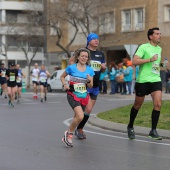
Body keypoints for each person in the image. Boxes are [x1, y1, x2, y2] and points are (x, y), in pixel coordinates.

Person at [127, 27, 163, 140]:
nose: (159, 35)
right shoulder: (143, 47)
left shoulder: (159, 49)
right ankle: (130, 126)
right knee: (137, 105)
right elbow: (134, 61)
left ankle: (153, 130)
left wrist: (162, 65)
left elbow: (155, 64)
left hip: (156, 80)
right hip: (143, 81)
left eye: (160, 34)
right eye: (157, 34)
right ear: (150, 36)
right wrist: (149, 59)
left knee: (158, 104)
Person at [74, 33, 106, 139]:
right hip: (84, 85)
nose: (97, 41)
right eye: (94, 39)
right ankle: (79, 129)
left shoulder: (101, 54)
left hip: (96, 85)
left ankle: (78, 127)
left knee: (89, 109)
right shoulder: (83, 52)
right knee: (84, 108)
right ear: (89, 41)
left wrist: (103, 67)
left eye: (97, 39)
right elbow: (73, 63)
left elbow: (103, 68)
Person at [60, 48, 94, 147]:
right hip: (72, 94)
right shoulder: (72, 68)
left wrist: (88, 81)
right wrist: (65, 84)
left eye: (86, 57)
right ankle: (69, 134)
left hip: (84, 96)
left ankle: (68, 133)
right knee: (80, 116)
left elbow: (91, 86)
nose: (84, 58)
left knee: (76, 118)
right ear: (78, 57)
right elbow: (62, 77)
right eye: (82, 56)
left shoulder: (90, 70)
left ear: (88, 59)